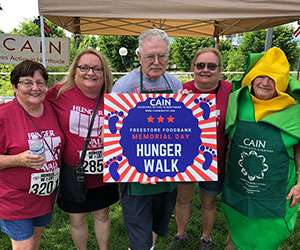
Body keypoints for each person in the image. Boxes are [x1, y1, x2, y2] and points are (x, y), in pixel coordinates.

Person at [222, 47, 300, 250]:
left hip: (274, 193)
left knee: (264, 239)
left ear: (282, 83)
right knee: (237, 232)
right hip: (239, 187)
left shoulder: (293, 111)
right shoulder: (237, 101)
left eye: (272, 79)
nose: (265, 83)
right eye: (261, 76)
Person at [112, 28, 182, 250]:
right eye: (150, 56)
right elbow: (113, 135)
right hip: (136, 177)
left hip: (167, 171)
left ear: (168, 57)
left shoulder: (175, 84)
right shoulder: (123, 86)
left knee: (157, 226)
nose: (156, 61)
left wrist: (189, 109)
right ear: (140, 56)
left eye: (162, 56)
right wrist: (133, 170)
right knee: (139, 232)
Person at [46, 48, 119, 250]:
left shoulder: (115, 100)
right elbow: (31, 104)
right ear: (75, 70)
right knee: (77, 219)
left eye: (97, 69)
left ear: (104, 73)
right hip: (73, 172)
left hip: (103, 170)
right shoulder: (59, 93)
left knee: (102, 215)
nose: (90, 73)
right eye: (84, 67)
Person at [169, 48, 231, 250]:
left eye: (211, 66)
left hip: (214, 159)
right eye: (200, 65)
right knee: (183, 198)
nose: (205, 70)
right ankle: (180, 234)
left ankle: (206, 237)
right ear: (193, 68)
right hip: (185, 157)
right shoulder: (181, 90)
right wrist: (177, 104)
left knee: (209, 202)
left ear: (219, 69)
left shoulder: (230, 91)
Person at [0, 60, 65, 250]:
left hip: (43, 195)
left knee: (35, 242)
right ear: (15, 86)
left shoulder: (52, 109)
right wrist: (18, 159)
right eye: (27, 82)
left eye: (40, 82)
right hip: (14, 198)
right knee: (25, 246)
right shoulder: (4, 116)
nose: (35, 88)